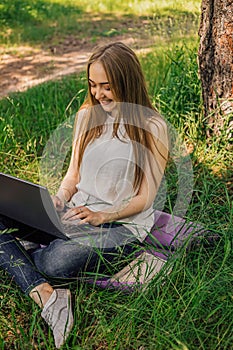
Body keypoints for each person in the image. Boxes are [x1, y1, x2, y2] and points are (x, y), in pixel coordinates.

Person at [0, 42, 168, 348]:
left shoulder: (152, 127)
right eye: (92, 85)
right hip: (74, 213)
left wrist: (105, 215)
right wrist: (60, 198)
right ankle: (49, 296)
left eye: (107, 86)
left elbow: (146, 197)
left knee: (55, 264)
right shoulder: (86, 117)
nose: (98, 94)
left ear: (126, 82)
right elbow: (73, 175)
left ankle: (18, 254)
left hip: (121, 226)